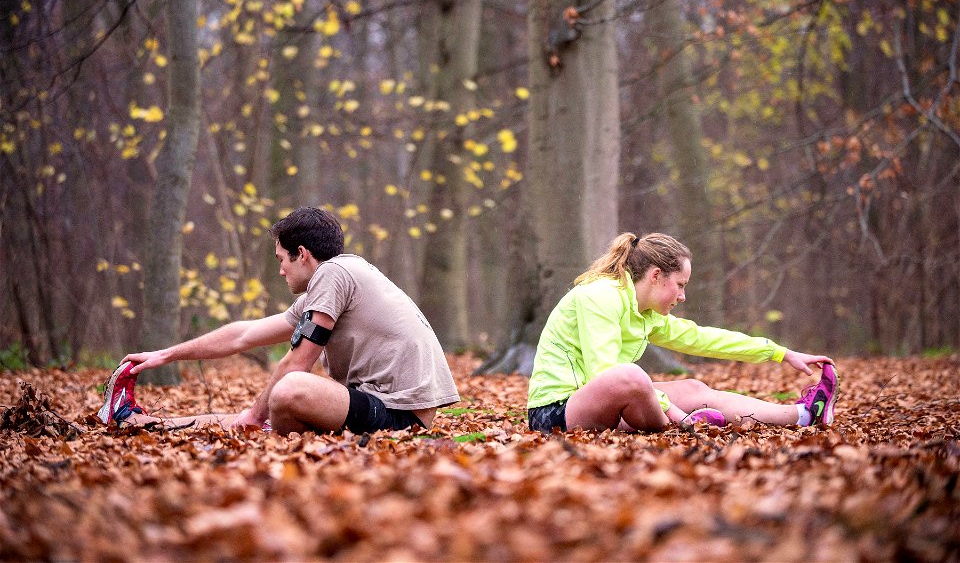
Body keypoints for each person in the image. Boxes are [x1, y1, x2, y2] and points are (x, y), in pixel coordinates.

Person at [98, 207, 461, 435]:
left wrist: (256, 414)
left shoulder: (334, 275)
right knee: (272, 404)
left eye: (282, 260)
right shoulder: (336, 281)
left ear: (302, 254)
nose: (281, 270)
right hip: (378, 406)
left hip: (399, 416)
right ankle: (146, 425)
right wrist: (166, 355)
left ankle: (260, 427)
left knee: (287, 391)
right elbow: (244, 335)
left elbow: (298, 361)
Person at [526, 232, 839, 434]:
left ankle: (802, 415)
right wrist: (670, 407)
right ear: (656, 276)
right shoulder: (600, 296)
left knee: (693, 387)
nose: (682, 297)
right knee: (631, 376)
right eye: (680, 285)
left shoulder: (646, 313)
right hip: (554, 413)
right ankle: (684, 423)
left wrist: (780, 352)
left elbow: (704, 338)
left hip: (599, 403)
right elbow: (604, 373)